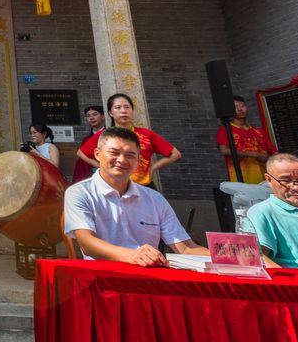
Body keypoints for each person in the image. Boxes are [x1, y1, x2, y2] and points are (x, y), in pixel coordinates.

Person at [64, 127, 208, 266]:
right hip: (103, 279)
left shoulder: (155, 199)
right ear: (97, 154)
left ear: (138, 160)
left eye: (130, 155)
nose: (122, 160)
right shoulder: (79, 192)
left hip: (147, 278)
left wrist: (225, 256)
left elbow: (185, 248)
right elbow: (87, 243)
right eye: (114, 152)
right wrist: (132, 255)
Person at [76, 93, 180, 188]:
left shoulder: (146, 134)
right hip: (113, 187)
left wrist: (153, 168)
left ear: (132, 111)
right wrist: (101, 166)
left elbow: (175, 154)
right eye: (118, 107)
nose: (123, 111)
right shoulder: (104, 135)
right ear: (110, 113)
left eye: (127, 107)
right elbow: (81, 153)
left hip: (143, 186)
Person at [242, 153, 298, 268]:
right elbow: (256, 258)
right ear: (269, 180)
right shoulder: (262, 213)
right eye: (286, 180)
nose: (297, 187)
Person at [216, 95, 277, 184]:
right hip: (241, 179)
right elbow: (224, 150)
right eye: (235, 107)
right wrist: (255, 155)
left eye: (242, 106)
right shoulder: (225, 130)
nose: (240, 109)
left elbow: (273, 152)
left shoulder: (258, 131)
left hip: (266, 178)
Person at [72, 105, 105, 182]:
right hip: (88, 176)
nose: (91, 118)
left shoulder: (108, 135)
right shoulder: (86, 140)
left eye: (95, 114)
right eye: (88, 116)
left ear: (103, 117)